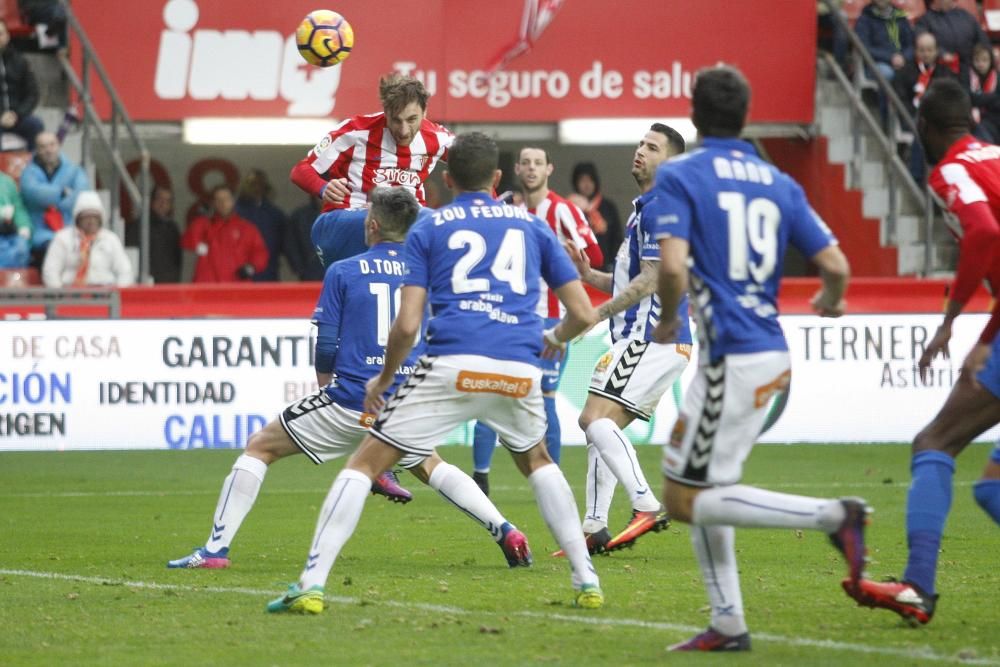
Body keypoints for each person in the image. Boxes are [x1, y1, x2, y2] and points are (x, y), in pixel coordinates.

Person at [266, 132, 604, 615]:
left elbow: (407, 323)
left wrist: (384, 379)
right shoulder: (532, 227)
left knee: (364, 464)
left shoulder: (430, 227)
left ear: (445, 179)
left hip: (450, 364)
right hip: (517, 366)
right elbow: (584, 315)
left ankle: (312, 585)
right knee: (537, 462)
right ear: (497, 178)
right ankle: (586, 579)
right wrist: (554, 340)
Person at [168, 187, 531, 571]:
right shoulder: (428, 276)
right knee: (430, 465)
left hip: (350, 399)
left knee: (260, 446)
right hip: (404, 405)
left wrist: (327, 389)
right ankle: (505, 530)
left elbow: (325, 344)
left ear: (371, 224)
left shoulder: (343, 270)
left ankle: (214, 551)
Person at [651, 65, 868, 652]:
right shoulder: (778, 181)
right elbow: (837, 268)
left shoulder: (681, 176)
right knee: (705, 486)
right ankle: (728, 623)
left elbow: (671, 267)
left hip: (731, 360)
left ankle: (835, 516)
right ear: (746, 117)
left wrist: (670, 318)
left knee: (682, 498)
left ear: (694, 116)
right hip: (770, 352)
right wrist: (830, 302)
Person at [846, 78, 1000, 626]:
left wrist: (951, 320)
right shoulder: (995, 156)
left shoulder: (951, 169)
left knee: (934, 441)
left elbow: (983, 234)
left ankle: (918, 585)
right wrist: (984, 341)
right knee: (990, 488)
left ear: (927, 130)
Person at [553, 124, 692, 558]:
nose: (640, 152)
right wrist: (587, 277)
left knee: (593, 419)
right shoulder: (642, 209)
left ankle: (647, 504)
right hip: (641, 336)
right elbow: (626, 281)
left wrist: (597, 313)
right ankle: (594, 528)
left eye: (652, 148)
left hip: (651, 335)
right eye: (640, 144)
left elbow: (652, 279)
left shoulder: (659, 207)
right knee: (603, 430)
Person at [471, 146, 603, 493]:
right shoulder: (502, 207)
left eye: (538, 164)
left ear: (549, 170)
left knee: (545, 400)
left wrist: (575, 261)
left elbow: (595, 255)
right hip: (504, 319)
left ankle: (553, 478)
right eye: (525, 163)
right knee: (491, 393)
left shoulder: (562, 210)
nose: (531, 169)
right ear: (517, 169)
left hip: (550, 323)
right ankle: (480, 477)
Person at [289, 74, 452, 268]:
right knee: (417, 219)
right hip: (346, 221)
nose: (404, 130)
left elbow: (476, 167)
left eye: (412, 119)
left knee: (442, 222)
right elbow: (300, 170)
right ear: (385, 112)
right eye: (396, 120)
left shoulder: (438, 138)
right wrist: (323, 188)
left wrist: (489, 205)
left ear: (425, 112)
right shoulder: (355, 131)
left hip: (403, 228)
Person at [895, 32, 958, 182]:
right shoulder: (905, 71)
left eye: (929, 50)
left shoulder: (945, 73)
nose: (926, 54)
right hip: (912, 117)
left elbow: (950, 98)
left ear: (936, 51)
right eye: (922, 50)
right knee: (923, 129)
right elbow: (900, 98)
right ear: (916, 51)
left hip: (939, 120)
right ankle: (917, 177)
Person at [19, 131, 90, 263]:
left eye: (52, 145)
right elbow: (33, 193)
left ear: (58, 146)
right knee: (52, 250)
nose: (48, 150)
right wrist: (62, 193)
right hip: (40, 232)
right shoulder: (28, 173)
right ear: (37, 149)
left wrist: (51, 199)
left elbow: (81, 194)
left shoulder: (74, 170)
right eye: (43, 146)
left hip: (70, 229)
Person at [41, 190, 134, 287]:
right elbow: (50, 271)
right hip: (69, 294)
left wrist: (117, 295)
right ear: (77, 219)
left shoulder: (111, 239)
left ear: (101, 219)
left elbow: (125, 271)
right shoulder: (62, 238)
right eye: (86, 217)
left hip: (105, 295)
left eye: (95, 217)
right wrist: (60, 297)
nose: (91, 221)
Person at [180, 184, 269, 283]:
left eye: (226, 199)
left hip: (236, 286)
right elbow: (189, 241)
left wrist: (252, 267)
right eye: (218, 200)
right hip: (208, 287)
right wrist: (201, 218)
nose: (222, 203)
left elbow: (260, 252)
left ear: (232, 201)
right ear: (213, 203)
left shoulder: (246, 229)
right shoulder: (205, 225)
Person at [569, 162, 622, 273]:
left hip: (605, 268)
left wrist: (613, 263)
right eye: (582, 180)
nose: (587, 185)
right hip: (577, 269)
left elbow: (617, 238)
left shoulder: (608, 207)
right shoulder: (569, 206)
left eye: (590, 180)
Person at [914, 0, 989, 78]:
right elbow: (923, 44)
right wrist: (941, 54)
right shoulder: (925, 20)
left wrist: (985, 53)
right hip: (941, 68)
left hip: (970, 65)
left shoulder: (965, 16)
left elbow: (982, 39)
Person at [0, 19, 43, 150]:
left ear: (7, 36)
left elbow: (32, 94)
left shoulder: (20, 61)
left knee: (36, 125)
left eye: (1, 34)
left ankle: (34, 169)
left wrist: (16, 114)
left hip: (17, 116)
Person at [125, 184, 181, 284]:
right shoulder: (138, 226)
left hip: (169, 285)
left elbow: (177, 260)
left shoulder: (173, 228)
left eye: (167, 201)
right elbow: (131, 257)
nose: (163, 204)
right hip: (146, 284)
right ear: (151, 201)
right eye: (160, 199)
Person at [235, 169, 285, 282]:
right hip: (239, 272)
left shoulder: (275, 214)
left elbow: (286, 243)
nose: (256, 188)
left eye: (260, 184)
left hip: (269, 270)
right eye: (252, 184)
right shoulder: (235, 213)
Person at [854, 0, 914, 83]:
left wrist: (904, 57)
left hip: (902, 61)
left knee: (917, 71)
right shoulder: (865, 19)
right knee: (887, 73)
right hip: (876, 64)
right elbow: (863, 47)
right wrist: (890, 58)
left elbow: (911, 44)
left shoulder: (900, 16)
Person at [284, 196, 325, 281]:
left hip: (338, 273)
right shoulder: (299, 216)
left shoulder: (343, 215)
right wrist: (300, 269)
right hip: (310, 274)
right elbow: (291, 245)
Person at [969, 43, 1000, 144]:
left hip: (994, 119)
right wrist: (991, 98)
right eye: (977, 60)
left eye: (984, 60)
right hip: (972, 118)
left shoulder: (997, 78)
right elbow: (969, 98)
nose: (980, 64)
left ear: (991, 61)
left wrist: (979, 99)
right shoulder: (968, 76)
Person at [0, 171, 31, 268]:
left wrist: (23, 226)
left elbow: (18, 208)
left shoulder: (6, 181)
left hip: (8, 231)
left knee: (21, 246)